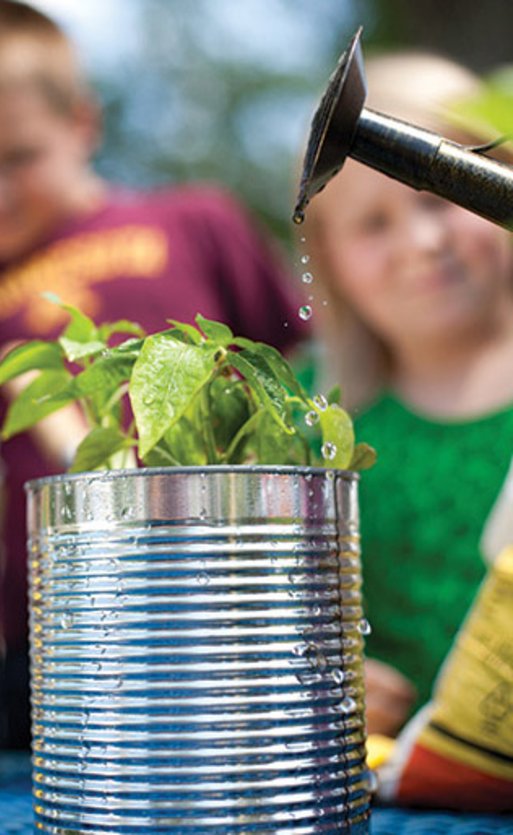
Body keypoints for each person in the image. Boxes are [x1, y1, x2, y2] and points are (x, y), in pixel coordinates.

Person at [0, 0, 306, 748]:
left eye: (16, 158)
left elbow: (301, 383)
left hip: (237, 615)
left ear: (82, 123)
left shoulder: (195, 224)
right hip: (60, 646)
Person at [297, 51, 513, 737]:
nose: (422, 243)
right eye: (373, 224)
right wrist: (318, 676)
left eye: (443, 198)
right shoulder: (305, 410)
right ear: (328, 255)